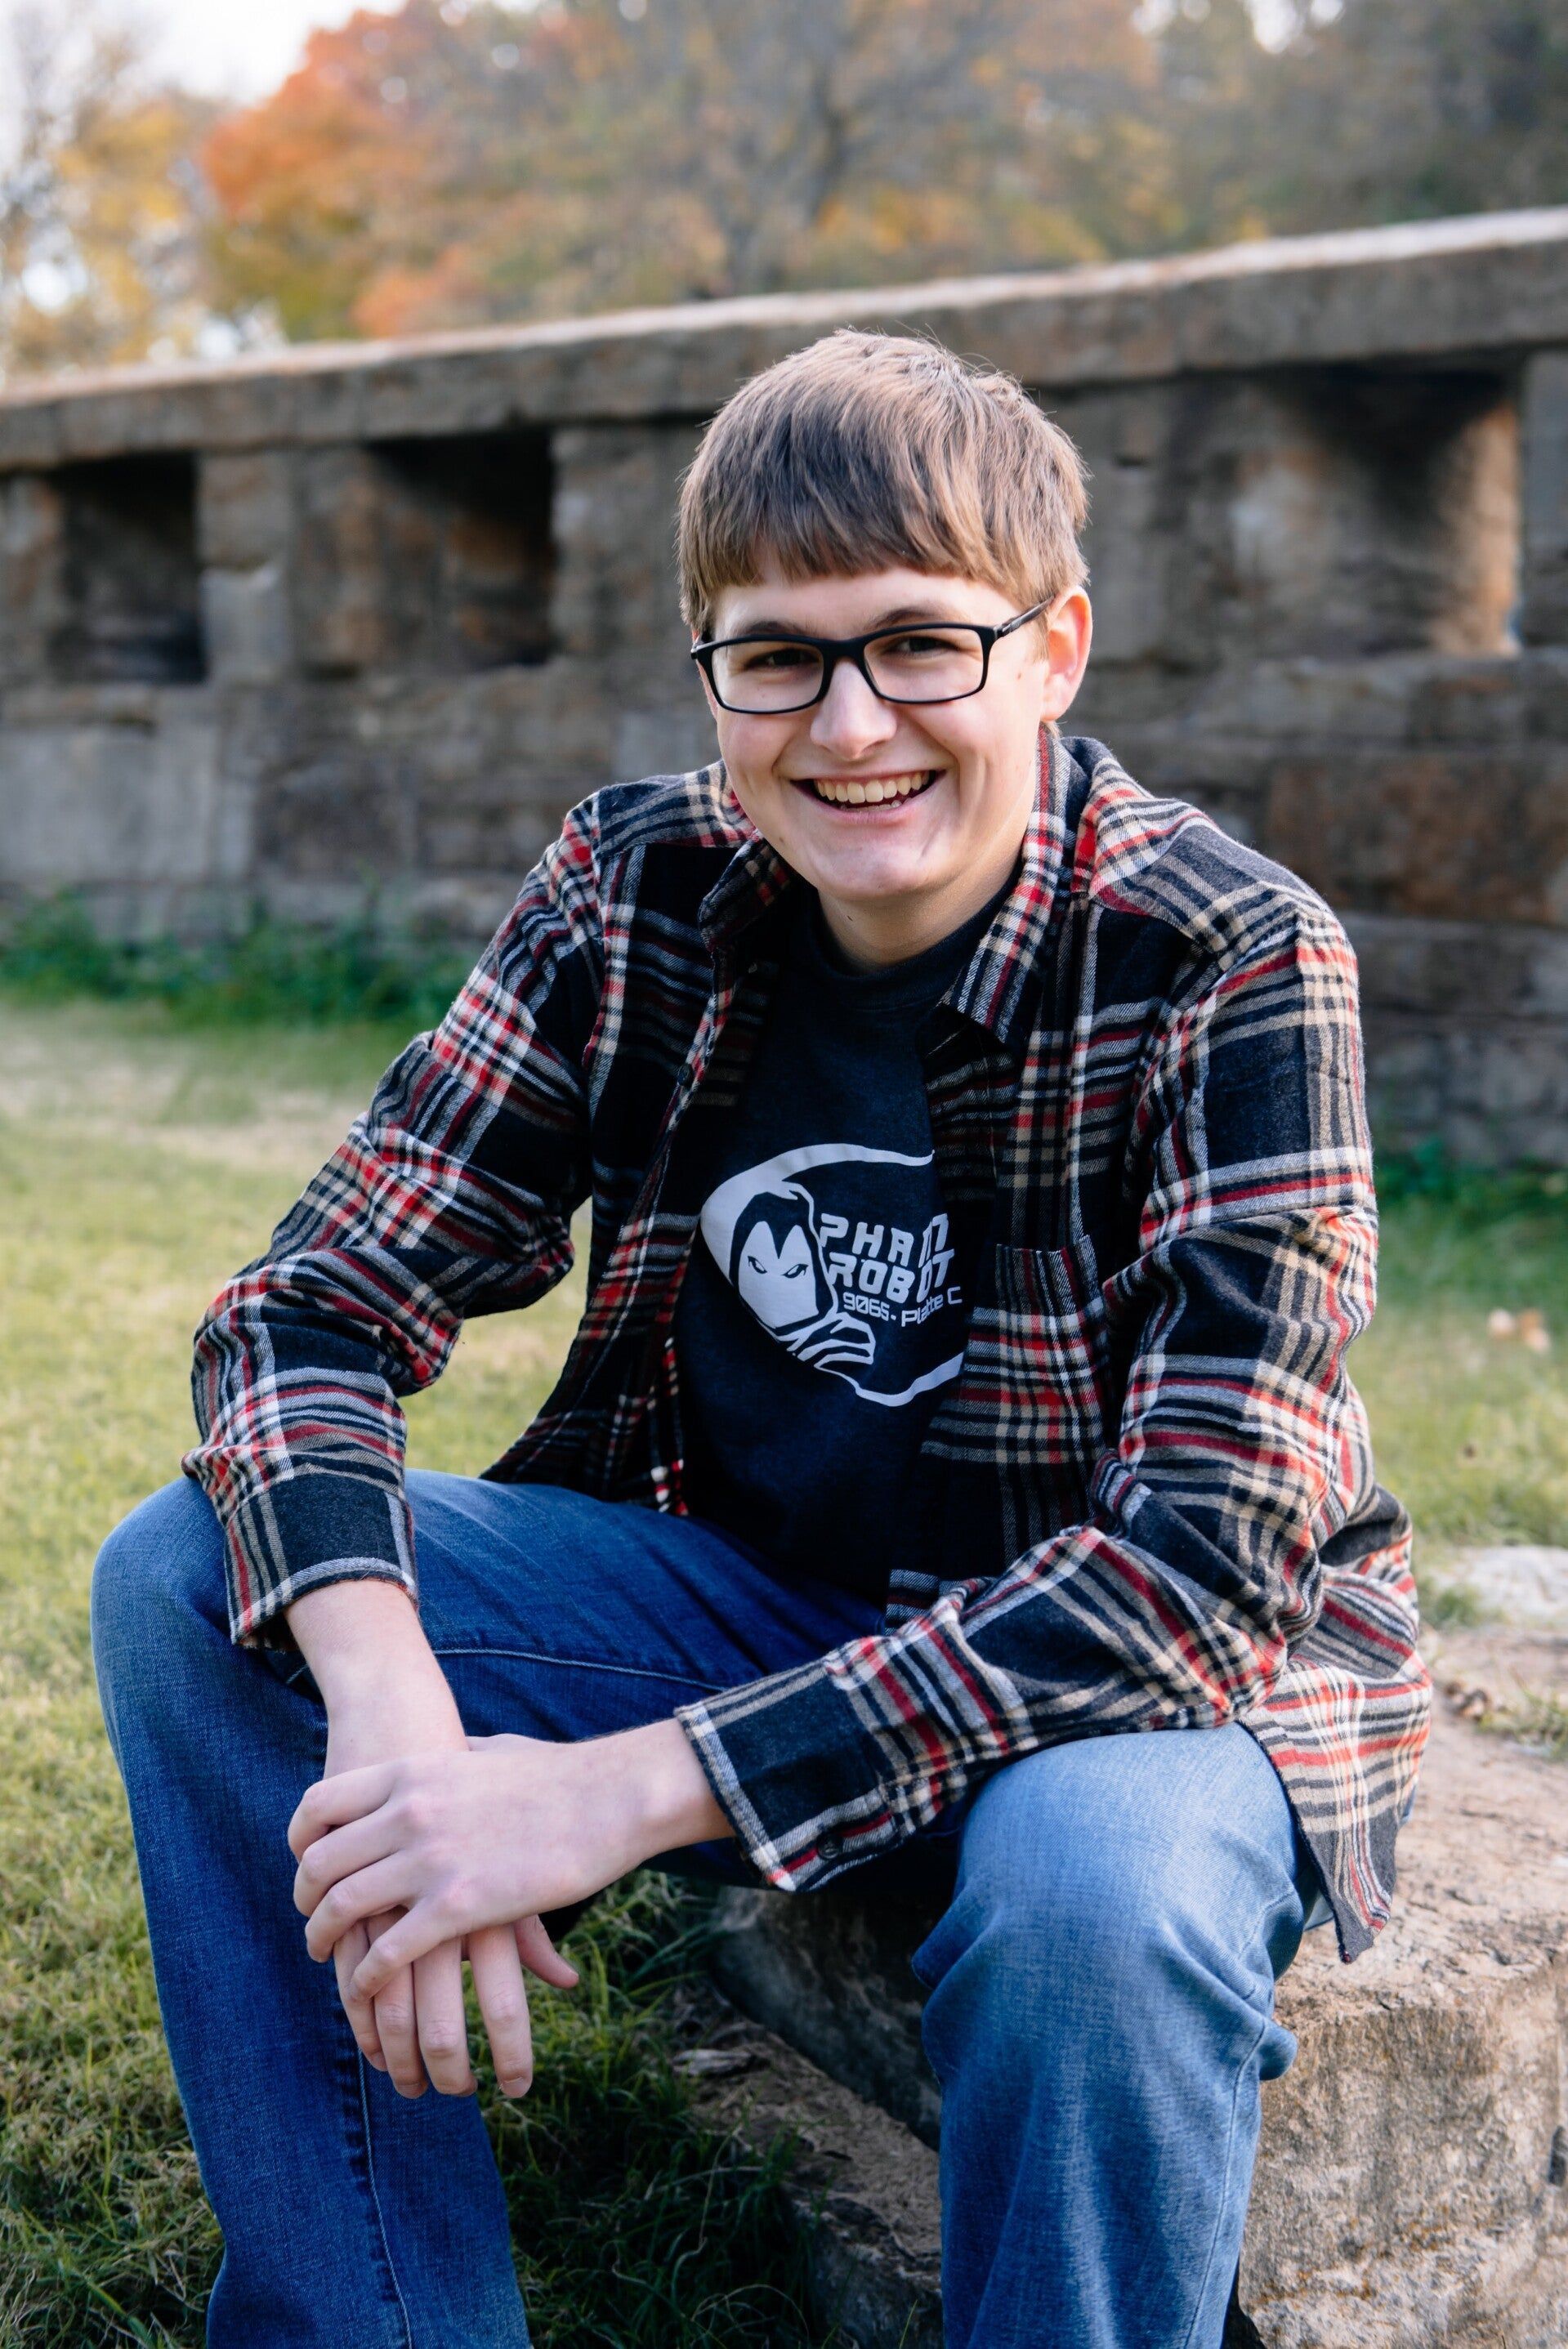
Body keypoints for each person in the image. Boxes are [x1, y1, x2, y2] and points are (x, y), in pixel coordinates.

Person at [92, 328, 1430, 2349]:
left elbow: (1192, 1575)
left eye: (922, 644)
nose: (852, 723)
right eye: (777, 656)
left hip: (1138, 1682)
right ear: (711, 669)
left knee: (1093, 1906)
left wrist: (606, 1794)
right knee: (197, 1579)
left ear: (1055, 648)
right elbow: (308, 1310)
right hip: (762, 1590)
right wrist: (397, 1739)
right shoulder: (638, 887)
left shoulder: (1231, 954)